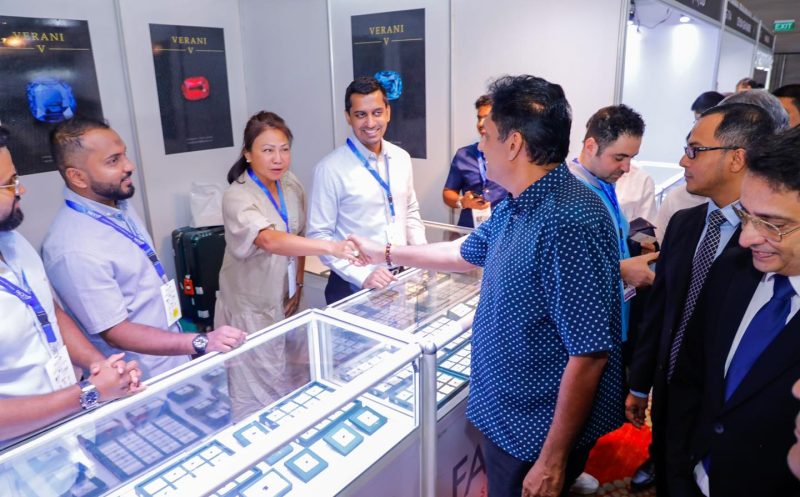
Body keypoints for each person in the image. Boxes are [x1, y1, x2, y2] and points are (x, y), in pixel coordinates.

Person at [351, 75, 624, 497]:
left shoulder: (567, 221)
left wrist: (552, 460)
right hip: (512, 415)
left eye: (487, 136)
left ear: (513, 144)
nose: (480, 147)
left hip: (534, 429)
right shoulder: (519, 201)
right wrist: (384, 252)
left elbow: (588, 354)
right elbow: (463, 253)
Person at [625, 103, 776, 494]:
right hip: (668, 395)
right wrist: (640, 384)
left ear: (737, 158)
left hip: (721, 409)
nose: (682, 160)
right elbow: (660, 310)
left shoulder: (768, 245)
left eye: (695, 150)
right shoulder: (685, 222)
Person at [42, 118, 246, 380]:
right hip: (139, 378)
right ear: (77, 177)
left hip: (173, 357)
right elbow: (116, 333)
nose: (129, 166)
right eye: (113, 161)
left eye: (124, 154)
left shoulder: (116, 205)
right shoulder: (73, 248)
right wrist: (199, 342)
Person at [668, 126, 800, 496]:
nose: (745, 238)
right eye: (745, 214)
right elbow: (691, 376)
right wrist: (677, 474)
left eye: (772, 224)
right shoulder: (733, 270)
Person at [0, 126, 142, 449]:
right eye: (9, 184)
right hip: (19, 461)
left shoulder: (13, 242)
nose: (21, 190)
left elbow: (49, 313)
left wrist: (98, 365)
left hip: (69, 435)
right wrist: (89, 393)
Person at [215, 111, 358, 419]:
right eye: (268, 150)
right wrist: (332, 247)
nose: (278, 159)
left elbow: (298, 233)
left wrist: (300, 283)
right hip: (252, 308)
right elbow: (269, 240)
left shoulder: (290, 184)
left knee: (295, 377)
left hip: (289, 299)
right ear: (248, 154)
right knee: (257, 390)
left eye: (284, 149)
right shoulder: (237, 196)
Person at [307, 76, 427, 304]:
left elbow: (410, 210)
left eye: (377, 112)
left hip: (399, 278)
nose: (370, 123)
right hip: (352, 285)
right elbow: (319, 236)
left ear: (388, 112)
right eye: (361, 114)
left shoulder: (401, 158)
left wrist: (422, 255)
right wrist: (362, 276)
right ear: (348, 117)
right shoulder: (329, 169)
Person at [569, 104, 656, 342]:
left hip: (613, 317)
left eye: (631, 158)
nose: (626, 168)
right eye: (619, 158)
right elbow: (566, 270)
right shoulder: (570, 195)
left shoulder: (604, 184)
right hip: (588, 331)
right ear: (591, 146)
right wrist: (621, 269)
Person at [442, 94, 508, 228]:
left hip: (504, 232)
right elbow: (448, 193)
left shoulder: (514, 155)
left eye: (486, 118)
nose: (480, 124)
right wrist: (462, 201)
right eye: (479, 118)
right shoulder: (464, 155)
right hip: (469, 231)